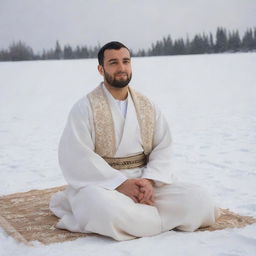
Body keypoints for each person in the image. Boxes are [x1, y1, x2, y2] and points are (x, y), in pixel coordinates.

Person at [50, 41, 219, 241]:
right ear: (100, 69)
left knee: (200, 201)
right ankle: (157, 221)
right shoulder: (84, 108)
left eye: (126, 61)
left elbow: (163, 147)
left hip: (146, 182)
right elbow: (77, 155)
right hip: (103, 186)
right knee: (103, 209)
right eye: (113, 62)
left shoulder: (148, 105)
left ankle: (141, 221)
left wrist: (147, 181)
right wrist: (120, 184)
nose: (121, 68)